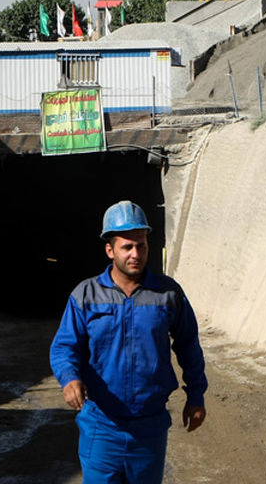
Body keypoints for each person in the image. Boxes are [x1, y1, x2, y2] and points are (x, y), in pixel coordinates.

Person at [50, 201, 207, 483]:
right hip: (101, 425)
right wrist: (69, 377)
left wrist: (196, 395)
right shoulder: (86, 295)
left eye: (142, 245)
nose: (136, 254)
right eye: (127, 247)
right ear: (110, 249)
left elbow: (188, 345)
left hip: (149, 427)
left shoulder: (168, 293)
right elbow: (64, 346)